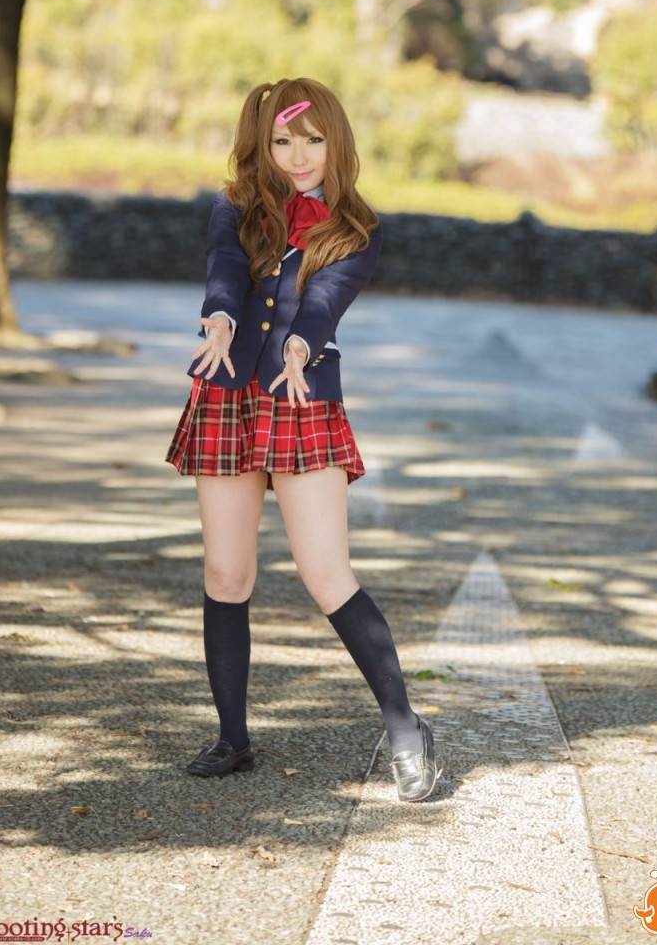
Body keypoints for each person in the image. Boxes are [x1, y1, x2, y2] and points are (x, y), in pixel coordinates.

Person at [164, 78, 439, 802]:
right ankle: (232, 736)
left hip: (300, 399)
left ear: (335, 143)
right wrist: (219, 318)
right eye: (283, 140)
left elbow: (325, 298)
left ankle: (405, 726)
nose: (298, 154)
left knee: (326, 573)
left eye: (312, 139)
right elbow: (225, 269)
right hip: (227, 394)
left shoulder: (357, 228)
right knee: (226, 573)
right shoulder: (235, 208)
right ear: (262, 145)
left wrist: (299, 345)